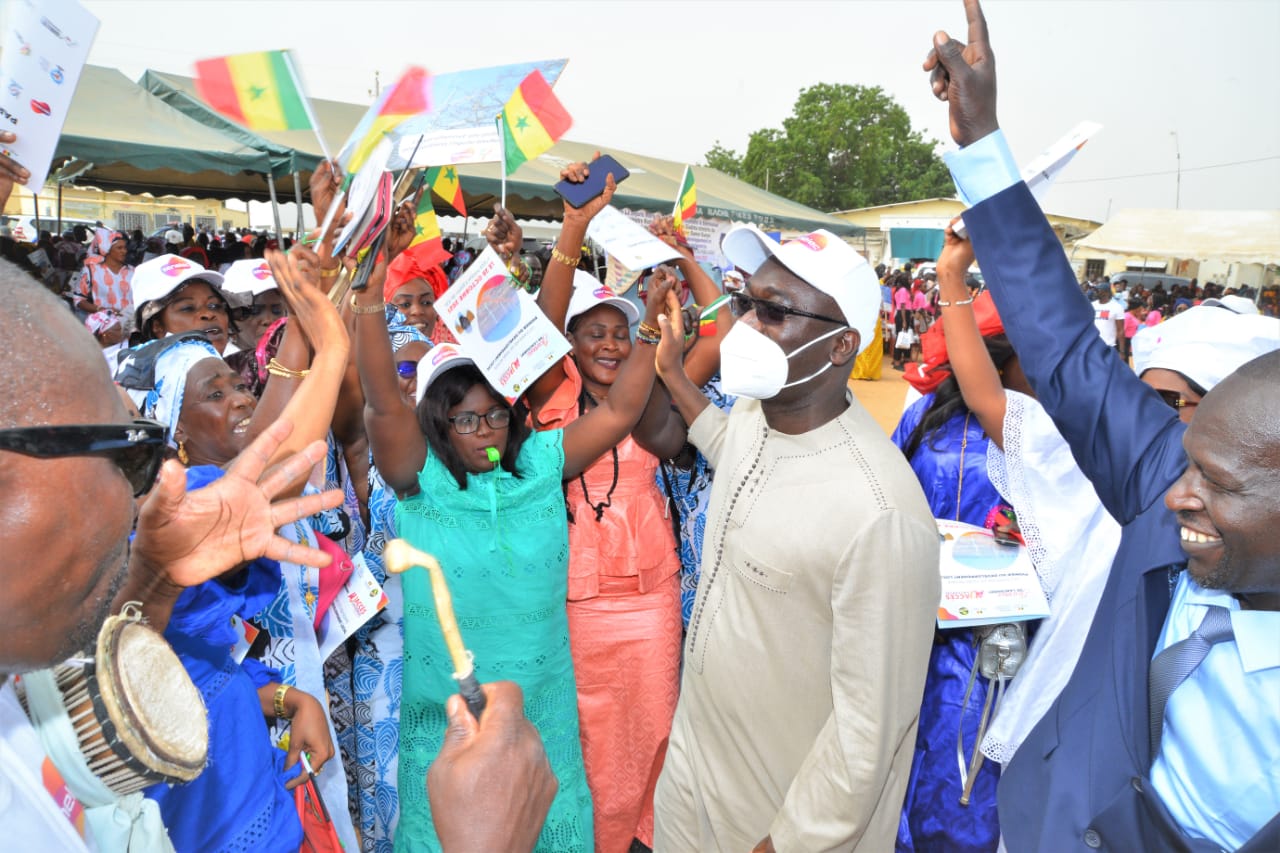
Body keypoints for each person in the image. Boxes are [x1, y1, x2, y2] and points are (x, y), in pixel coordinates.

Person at [924, 2, 1280, 848]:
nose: (1175, 496)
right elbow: (1066, 349)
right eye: (1187, 460)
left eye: (1220, 486)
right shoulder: (1169, 479)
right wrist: (982, 146)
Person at [352, 198, 676, 852]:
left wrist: (650, 332)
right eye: (463, 417)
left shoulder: (538, 468)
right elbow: (384, 396)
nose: (483, 429)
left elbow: (618, 411)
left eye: (494, 414)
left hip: (543, 721)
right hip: (451, 727)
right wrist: (371, 285)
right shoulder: (421, 481)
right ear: (437, 421)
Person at [652, 224, 940, 852]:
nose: (750, 325)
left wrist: (786, 842)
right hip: (693, 773)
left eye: (776, 312)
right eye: (748, 303)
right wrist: (674, 377)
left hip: (775, 816)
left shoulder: (880, 512)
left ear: (842, 348)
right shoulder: (760, 413)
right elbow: (730, 446)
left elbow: (869, 731)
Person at [131, 253, 238, 355]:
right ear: (157, 326)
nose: (208, 314)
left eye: (214, 306)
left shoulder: (247, 367)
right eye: (188, 308)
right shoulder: (132, 372)